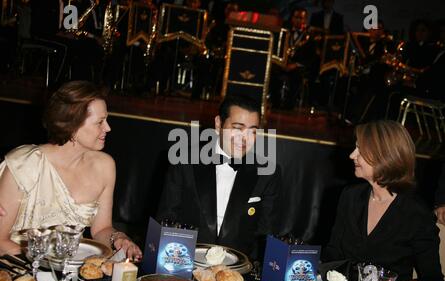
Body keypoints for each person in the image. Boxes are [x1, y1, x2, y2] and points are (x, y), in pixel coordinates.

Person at [0, 81, 142, 261]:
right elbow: (1, 241)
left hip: (70, 272)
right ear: (73, 126)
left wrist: (118, 238)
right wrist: (48, 264)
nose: (108, 128)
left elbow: (101, 229)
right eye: (100, 122)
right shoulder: (24, 163)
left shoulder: (104, 166)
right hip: (18, 267)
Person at [323, 120, 444, 281]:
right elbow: (332, 255)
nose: (352, 155)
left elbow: (434, 280)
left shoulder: (416, 213)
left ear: (385, 156)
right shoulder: (350, 196)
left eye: (360, 150)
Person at [156, 95, 281, 261]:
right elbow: (166, 221)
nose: (245, 139)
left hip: (240, 272)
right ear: (218, 124)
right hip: (184, 262)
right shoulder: (184, 160)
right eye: (237, 128)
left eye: (252, 130)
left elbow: (266, 236)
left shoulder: (268, 173)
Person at [270, 7, 319, 110]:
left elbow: (311, 56)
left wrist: (296, 64)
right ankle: (275, 101)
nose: (298, 20)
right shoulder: (284, 31)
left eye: (301, 18)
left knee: (297, 76)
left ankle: (289, 104)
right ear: (292, 18)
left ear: (305, 20)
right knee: (272, 72)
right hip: (282, 63)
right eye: (296, 17)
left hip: (298, 66)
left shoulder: (309, 35)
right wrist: (281, 62)